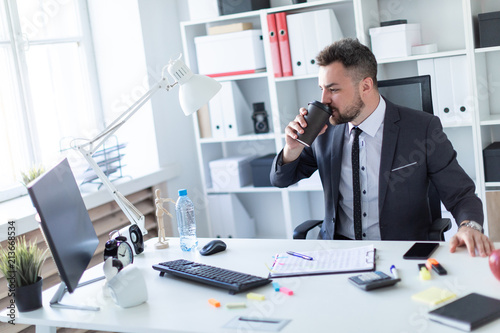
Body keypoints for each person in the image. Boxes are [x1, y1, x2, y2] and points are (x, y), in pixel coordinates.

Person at [270, 38, 494, 257]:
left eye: (333, 89)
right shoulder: (323, 130)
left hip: (402, 252)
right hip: (339, 253)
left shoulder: (422, 128)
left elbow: (460, 193)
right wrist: (292, 147)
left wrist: (470, 226)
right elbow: (281, 180)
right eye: (321, 89)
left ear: (366, 85)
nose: (324, 99)